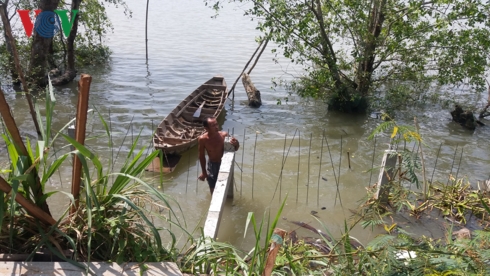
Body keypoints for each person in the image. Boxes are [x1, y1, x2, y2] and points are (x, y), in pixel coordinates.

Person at [198, 117, 239, 194]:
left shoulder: (224, 135)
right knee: (213, 190)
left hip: (224, 164)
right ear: (206, 128)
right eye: (213, 125)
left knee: (225, 189)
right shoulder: (202, 139)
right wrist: (204, 172)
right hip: (212, 165)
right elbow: (201, 156)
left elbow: (235, 149)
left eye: (216, 124)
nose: (216, 127)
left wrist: (236, 143)